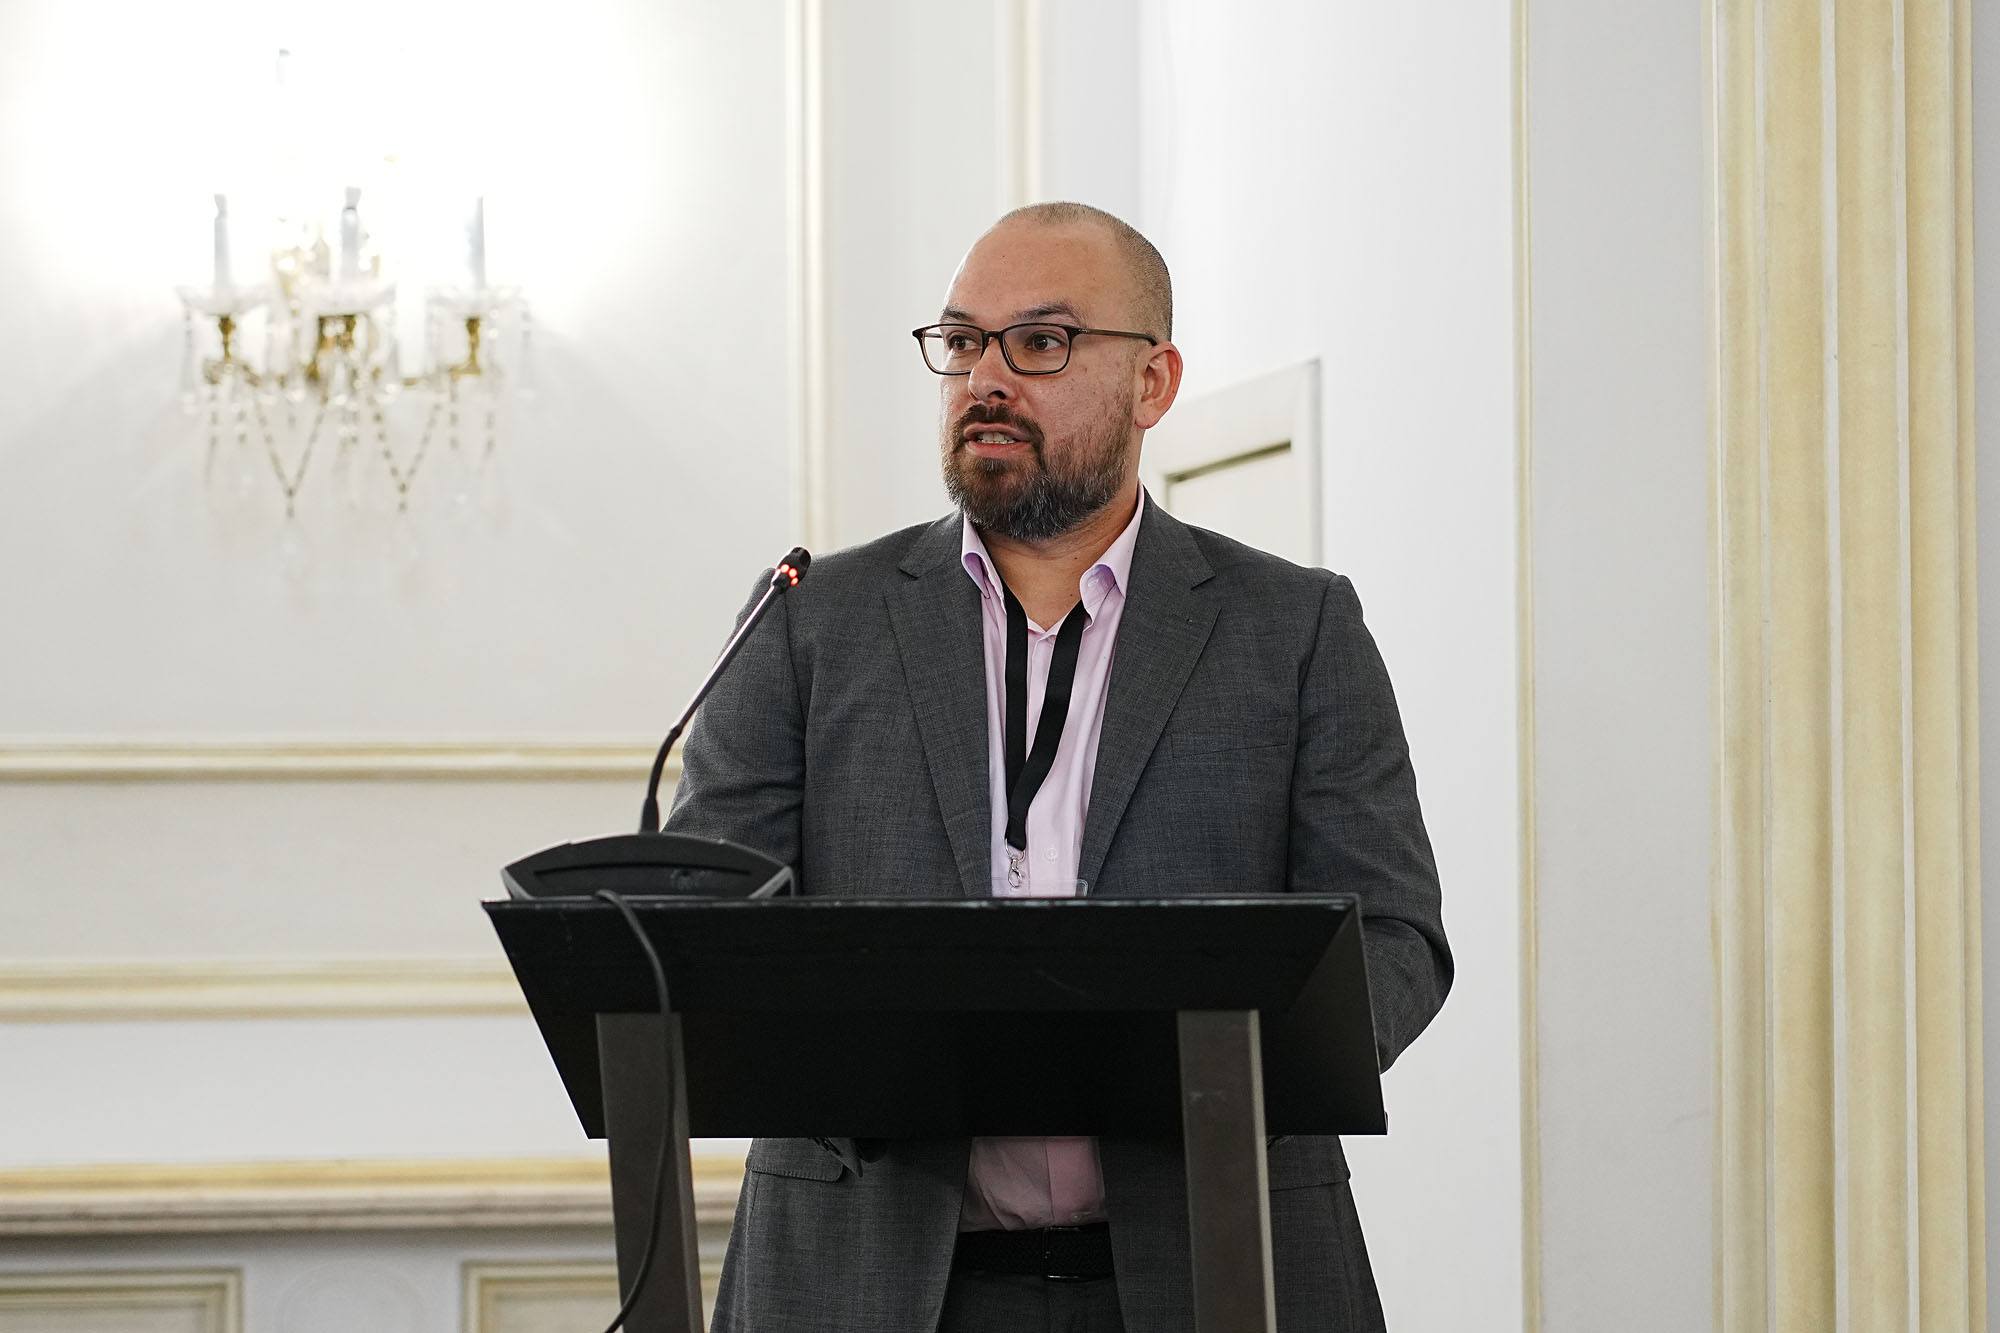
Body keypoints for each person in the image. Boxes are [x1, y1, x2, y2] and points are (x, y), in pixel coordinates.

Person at [667, 201, 1450, 1333]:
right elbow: (710, 932)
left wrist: (1235, 1076)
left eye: (1039, 342)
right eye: (961, 342)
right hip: (866, 1278)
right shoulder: (807, 621)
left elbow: (1395, 936)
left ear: (1152, 383)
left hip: (1215, 1266)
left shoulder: (1294, 628)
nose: (985, 378)